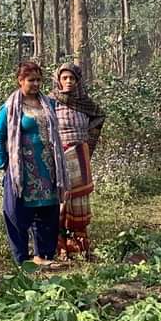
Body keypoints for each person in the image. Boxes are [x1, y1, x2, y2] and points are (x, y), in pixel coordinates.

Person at [0, 61, 68, 265]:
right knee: (17, 213)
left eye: (38, 80)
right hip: (22, 170)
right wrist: (3, 164)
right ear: (20, 81)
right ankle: (22, 258)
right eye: (30, 80)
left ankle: (43, 255)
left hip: (48, 169)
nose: (35, 84)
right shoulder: (10, 107)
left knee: (48, 211)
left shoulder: (48, 104)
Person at [51, 63, 106, 260]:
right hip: (58, 156)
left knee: (79, 200)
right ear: (58, 80)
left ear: (78, 81)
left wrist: (87, 142)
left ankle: (79, 246)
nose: (68, 82)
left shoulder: (86, 104)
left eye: (72, 78)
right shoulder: (51, 102)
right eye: (64, 78)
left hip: (80, 154)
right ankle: (60, 246)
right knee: (61, 200)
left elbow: (99, 117)